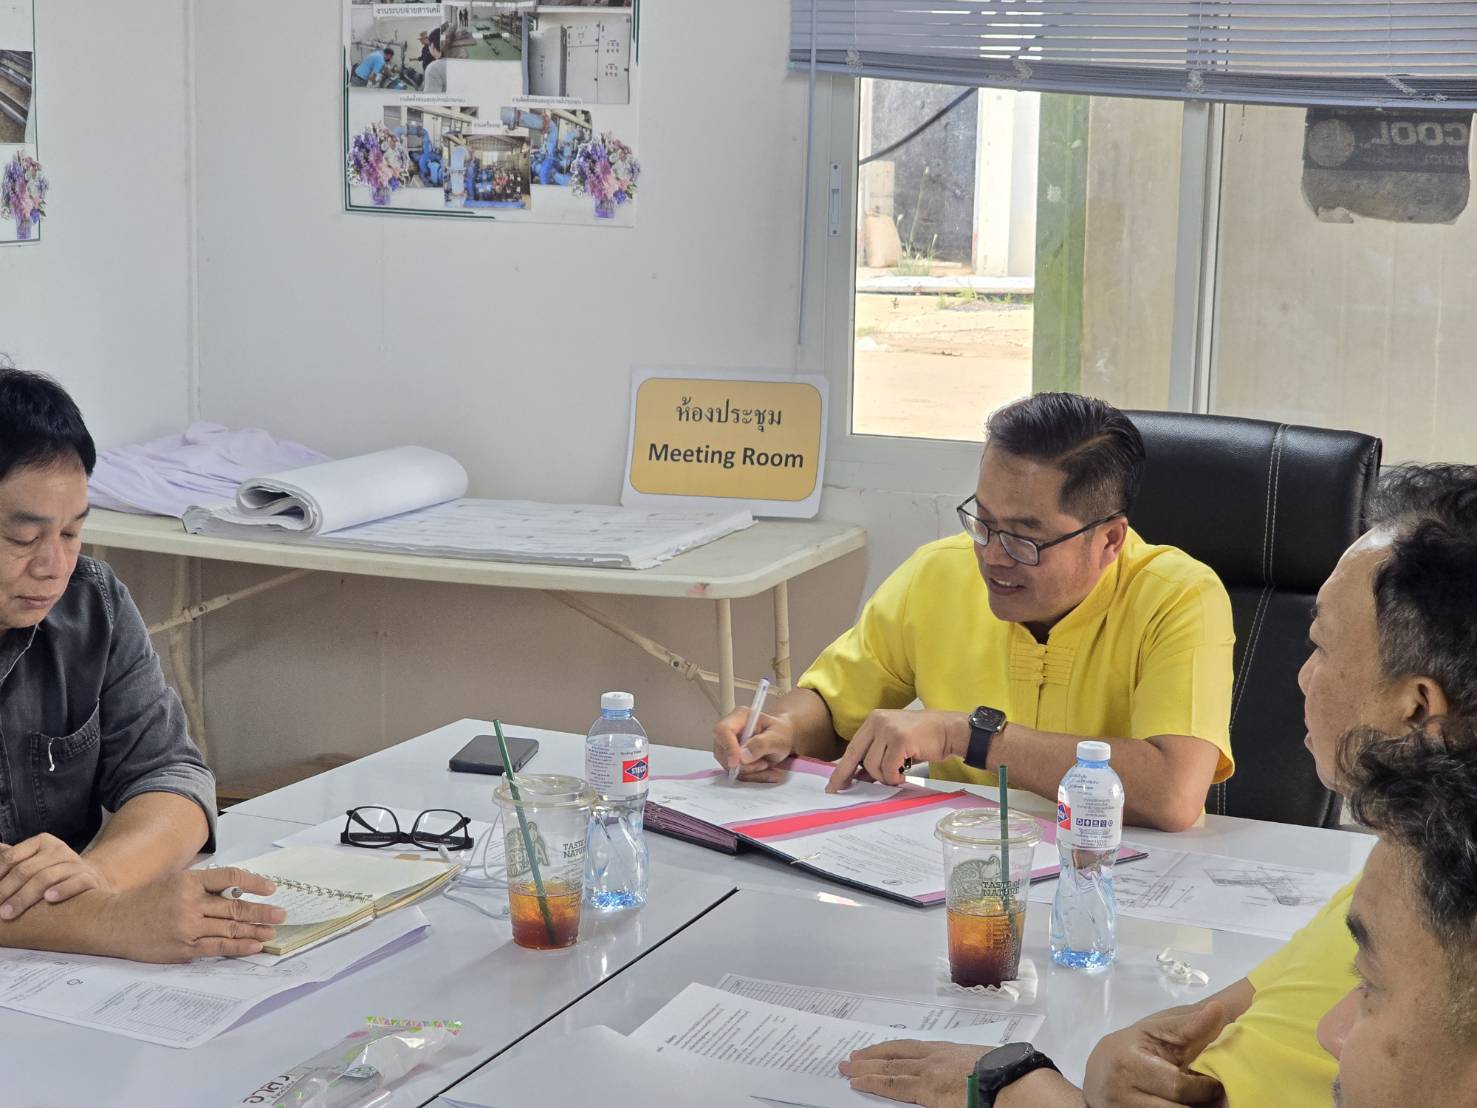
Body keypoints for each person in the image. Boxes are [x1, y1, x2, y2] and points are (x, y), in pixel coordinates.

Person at [838, 463, 1477, 1107]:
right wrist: (1144, 1048)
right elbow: (1240, 1011)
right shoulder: (1417, 853)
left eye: (1322, 648)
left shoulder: (1441, 923)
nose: (1304, 678)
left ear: (1419, 709)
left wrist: (1013, 1085)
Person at [713, 393, 1236, 832]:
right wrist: (780, 729)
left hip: (1120, 881)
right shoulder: (937, 573)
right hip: (962, 870)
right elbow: (833, 706)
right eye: (983, 523)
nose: (992, 556)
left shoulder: (1179, 597)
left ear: (1109, 539)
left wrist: (966, 735)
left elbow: (1172, 793)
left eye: (1026, 538)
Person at [0, 365, 283, 961]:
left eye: (73, 532)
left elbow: (171, 777)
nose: (54, 565)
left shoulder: (91, 604)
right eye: (23, 538)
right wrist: (107, 922)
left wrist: (98, 878)